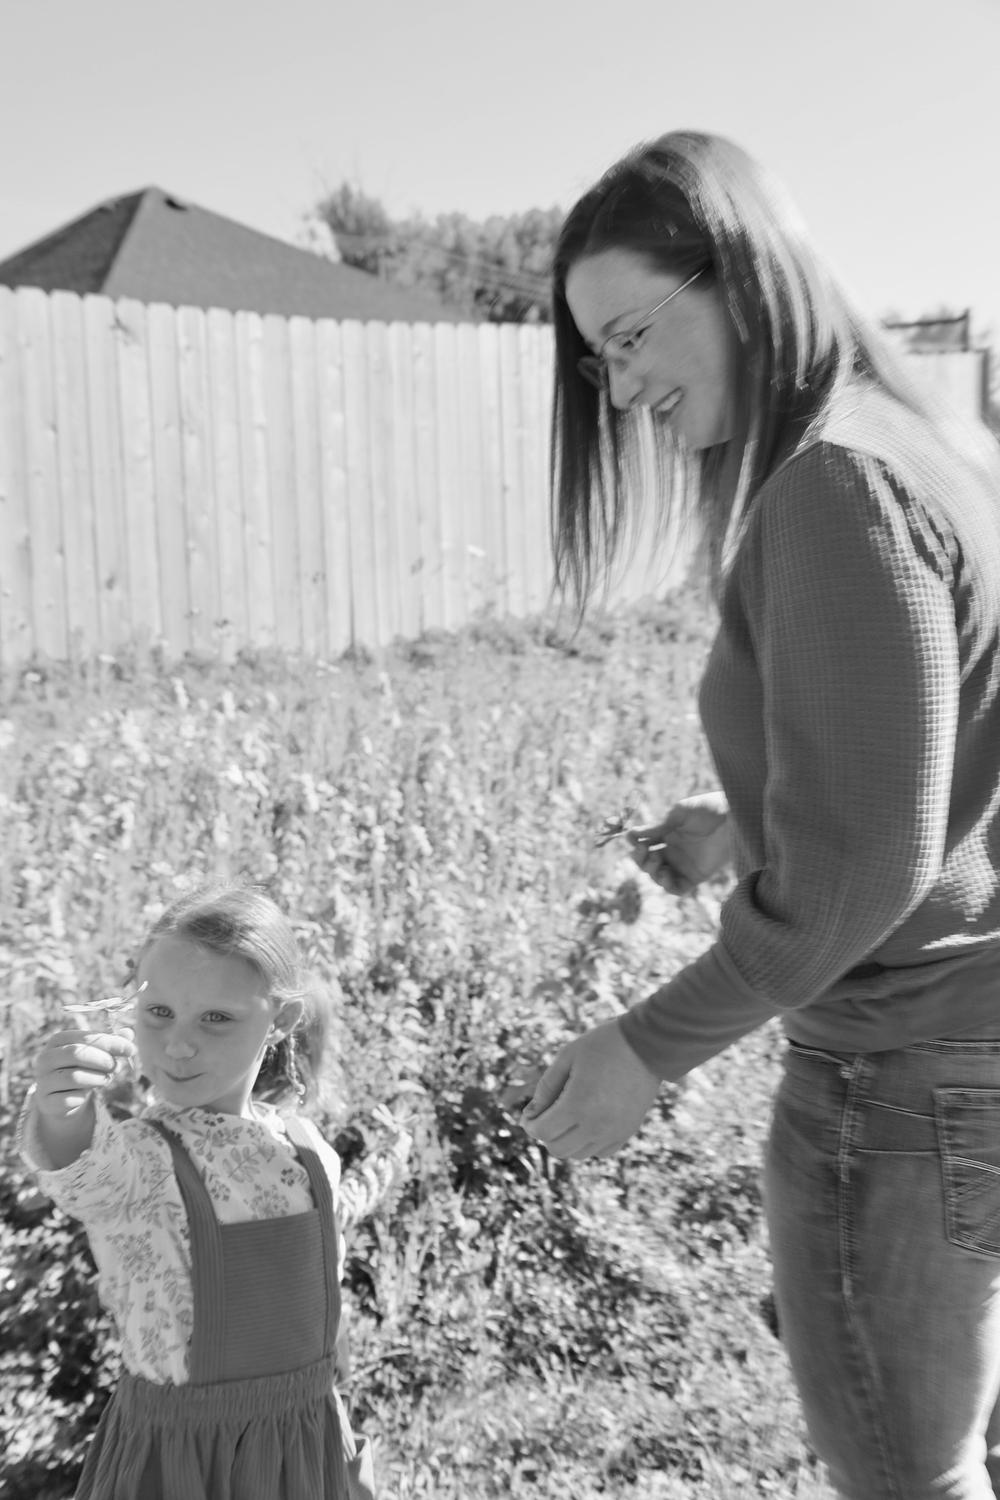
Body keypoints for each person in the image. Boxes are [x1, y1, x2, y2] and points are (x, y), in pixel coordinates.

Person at [517, 130, 1000, 1500]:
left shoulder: (835, 481)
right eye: (597, 362)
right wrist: (747, 826)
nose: (620, 390)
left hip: (894, 1083)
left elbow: (862, 876)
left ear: (737, 277)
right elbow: (950, 762)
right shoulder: (934, 440)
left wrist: (641, 1048)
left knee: (906, 1476)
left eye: (629, 337)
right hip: (971, 1053)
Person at [18, 881, 410, 1500]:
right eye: (159, 1012)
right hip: (184, 1466)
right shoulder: (143, 1161)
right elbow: (83, 1169)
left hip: (305, 1444)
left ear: (280, 1022)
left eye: (217, 1018)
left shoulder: (309, 1151)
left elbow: (322, 1275)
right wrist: (60, 1109)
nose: (179, 1044)